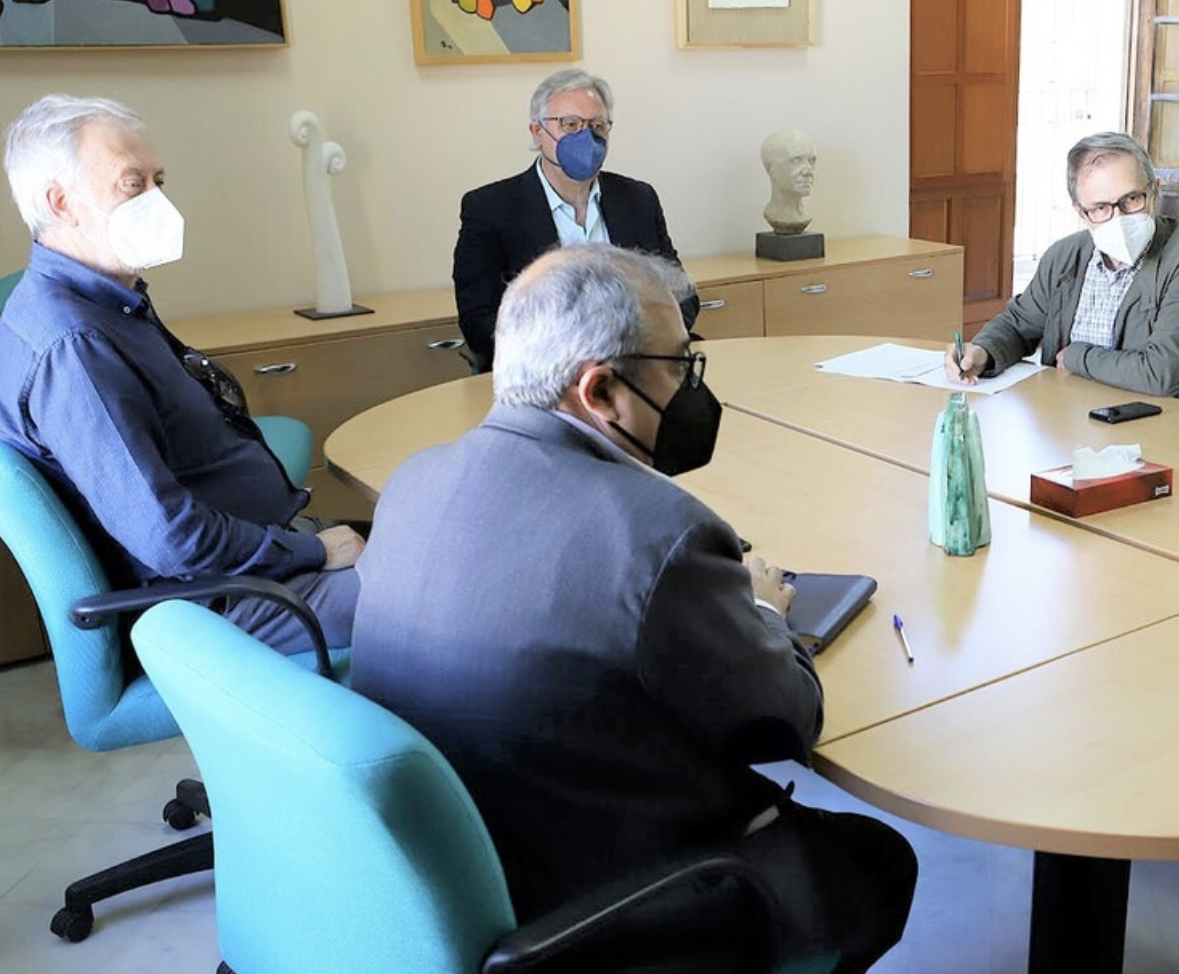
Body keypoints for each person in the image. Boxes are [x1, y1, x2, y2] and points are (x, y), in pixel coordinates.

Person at [352, 243, 916, 972]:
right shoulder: (662, 532)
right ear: (602, 391)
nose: (693, 386)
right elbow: (784, 724)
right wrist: (766, 613)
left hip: (449, 866)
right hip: (600, 894)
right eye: (680, 365)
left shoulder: (415, 479)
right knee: (875, 861)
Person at [0, 94, 361, 652]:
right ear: (62, 202)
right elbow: (170, 539)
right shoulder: (74, 347)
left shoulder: (104, 301)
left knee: (439, 532)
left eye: (159, 181)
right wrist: (313, 552)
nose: (158, 201)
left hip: (255, 559)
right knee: (460, 589)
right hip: (225, 600)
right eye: (133, 183)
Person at [946, 131, 1179, 407]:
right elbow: (1019, 324)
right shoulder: (1065, 256)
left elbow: (1161, 375)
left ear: (1155, 191)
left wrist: (1075, 357)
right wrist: (982, 351)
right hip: (1072, 416)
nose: (1118, 218)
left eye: (1132, 199)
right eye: (1100, 208)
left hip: (1172, 427)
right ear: (1081, 212)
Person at [451, 69, 699, 371]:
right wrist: (569, 365)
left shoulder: (637, 199)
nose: (586, 137)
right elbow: (479, 320)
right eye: (570, 125)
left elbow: (680, 294)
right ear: (537, 130)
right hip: (545, 376)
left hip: (637, 366)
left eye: (597, 126)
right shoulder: (490, 208)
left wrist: (650, 348)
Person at [761, 129, 817, 234]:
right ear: (770, 168)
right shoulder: (774, 215)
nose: (808, 171)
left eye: (812, 161)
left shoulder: (807, 215)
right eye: (796, 160)